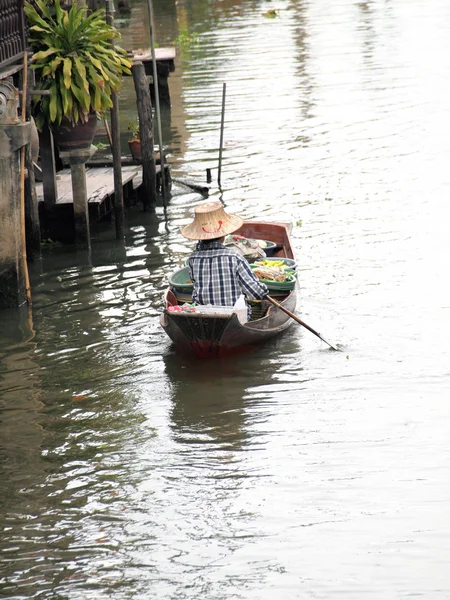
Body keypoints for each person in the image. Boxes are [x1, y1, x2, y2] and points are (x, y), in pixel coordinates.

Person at [181, 202, 269, 307]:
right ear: (223, 235)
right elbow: (255, 293)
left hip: (204, 314)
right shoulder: (235, 258)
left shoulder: (193, 259)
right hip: (233, 315)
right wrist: (264, 289)